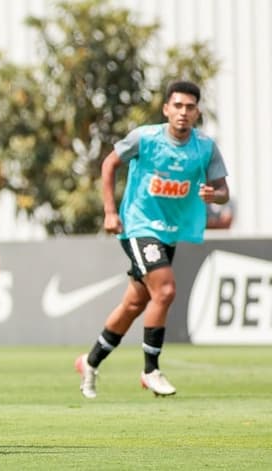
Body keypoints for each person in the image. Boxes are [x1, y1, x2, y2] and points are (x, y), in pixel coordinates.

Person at [75, 80, 230, 399]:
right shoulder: (145, 138)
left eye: (189, 107)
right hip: (138, 225)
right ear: (166, 109)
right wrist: (109, 211)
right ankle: (150, 369)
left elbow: (223, 191)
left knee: (135, 303)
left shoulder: (205, 147)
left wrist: (214, 195)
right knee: (167, 289)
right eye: (177, 106)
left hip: (169, 234)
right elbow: (109, 163)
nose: (183, 112)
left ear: (197, 111)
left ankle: (90, 362)